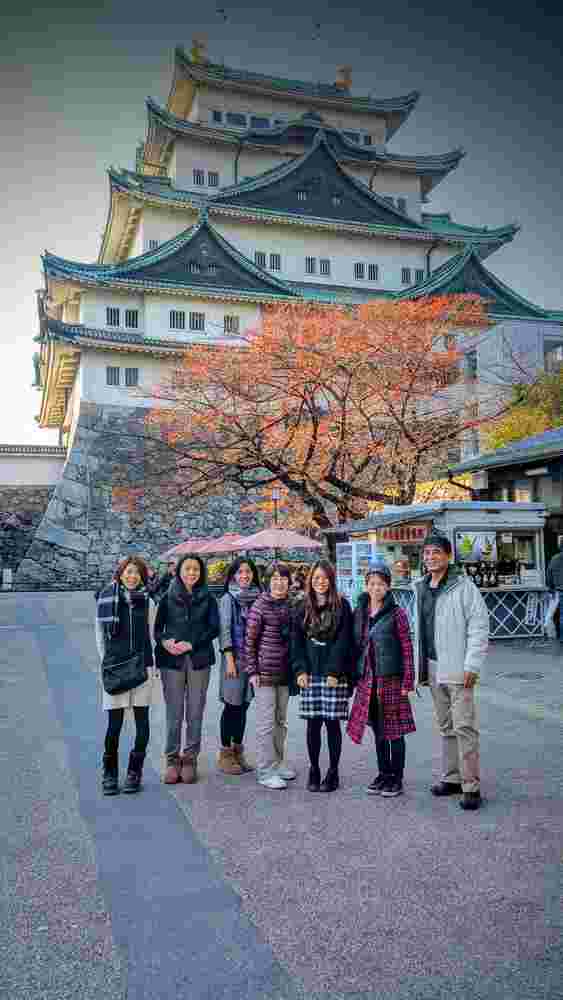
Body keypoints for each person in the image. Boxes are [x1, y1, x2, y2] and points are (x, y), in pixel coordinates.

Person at [414, 532, 489, 811]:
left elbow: (479, 626)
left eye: (436, 552)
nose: (431, 557)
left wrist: (472, 665)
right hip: (433, 666)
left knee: (464, 727)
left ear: (448, 556)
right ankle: (452, 778)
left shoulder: (463, 587)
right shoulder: (421, 586)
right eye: (427, 553)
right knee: (446, 727)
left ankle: (471, 786)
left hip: (458, 667)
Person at [347, 561, 415, 797]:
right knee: (378, 731)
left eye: (381, 584)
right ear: (366, 585)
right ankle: (384, 773)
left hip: (391, 679)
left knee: (394, 731)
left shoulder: (397, 614)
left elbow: (407, 648)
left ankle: (397, 778)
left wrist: (408, 680)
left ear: (388, 586)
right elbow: (354, 646)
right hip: (368, 680)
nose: (376, 588)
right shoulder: (360, 613)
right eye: (372, 584)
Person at [154, 554, 219, 785]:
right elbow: (157, 629)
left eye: (196, 569)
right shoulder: (167, 596)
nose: (192, 573)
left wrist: (193, 643)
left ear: (201, 573)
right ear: (179, 571)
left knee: (195, 711)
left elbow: (214, 628)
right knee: (174, 712)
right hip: (171, 661)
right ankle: (172, 759)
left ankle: (190, 758)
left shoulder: (208, 598)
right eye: (187, 569)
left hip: (199, 660)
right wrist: (165, 642)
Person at [95, 555, 158, 795]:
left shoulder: (148, 602)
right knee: (114, 725)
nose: (132, 576)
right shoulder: (106, 599)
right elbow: (100, 635)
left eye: (137, 573)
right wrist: (108, 662)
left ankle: (134, 771)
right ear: (121, 574)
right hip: (116, 668)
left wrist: (153, 666)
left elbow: (152, 635)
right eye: (128, 572)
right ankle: (110, 772)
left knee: (142, 724)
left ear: (142, 576)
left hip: (142, 668)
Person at [291, 560, 354, 793]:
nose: (321, 581)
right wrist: (300, 669)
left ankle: (333, 771)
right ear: (310, 580)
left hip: (333, 674)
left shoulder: (342, 605)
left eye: (325, 577)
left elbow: (344, 640)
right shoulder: (302, 606)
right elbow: (296, 641)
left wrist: (334, 671)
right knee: (313, 724)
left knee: (332, 724)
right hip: (310, 673)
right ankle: (314, 769)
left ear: (331, 580)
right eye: (316, 577)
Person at [244, 562, 296, 790]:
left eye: (283, 578)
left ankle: (278, 762)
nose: (279, 583)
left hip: (285, 672)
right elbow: (249, 641)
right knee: (266, 723)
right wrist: (252, 670)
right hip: (264, 673)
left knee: (280, 721)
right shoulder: (260, 605)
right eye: (275, 578)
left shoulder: (291, 604)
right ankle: (265, 771)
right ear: (268, 581)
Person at [217, 557, 262, 775]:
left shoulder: (258, 597)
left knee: (243, 705)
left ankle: (238, 751)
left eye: (248, 571)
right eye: (240, 572)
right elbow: (224, 629)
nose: (244, 575)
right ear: (233, 575)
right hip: (233, 660)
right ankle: (225, 754)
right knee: (231, 706)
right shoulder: (228, 598)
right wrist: (229, 660)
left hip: (250, 660)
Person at [546, 542, 563, 642]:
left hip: (559, 590)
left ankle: (562, 637)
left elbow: (549, 574)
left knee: (562, 615)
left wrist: (551, 588)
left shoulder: (554, 559)